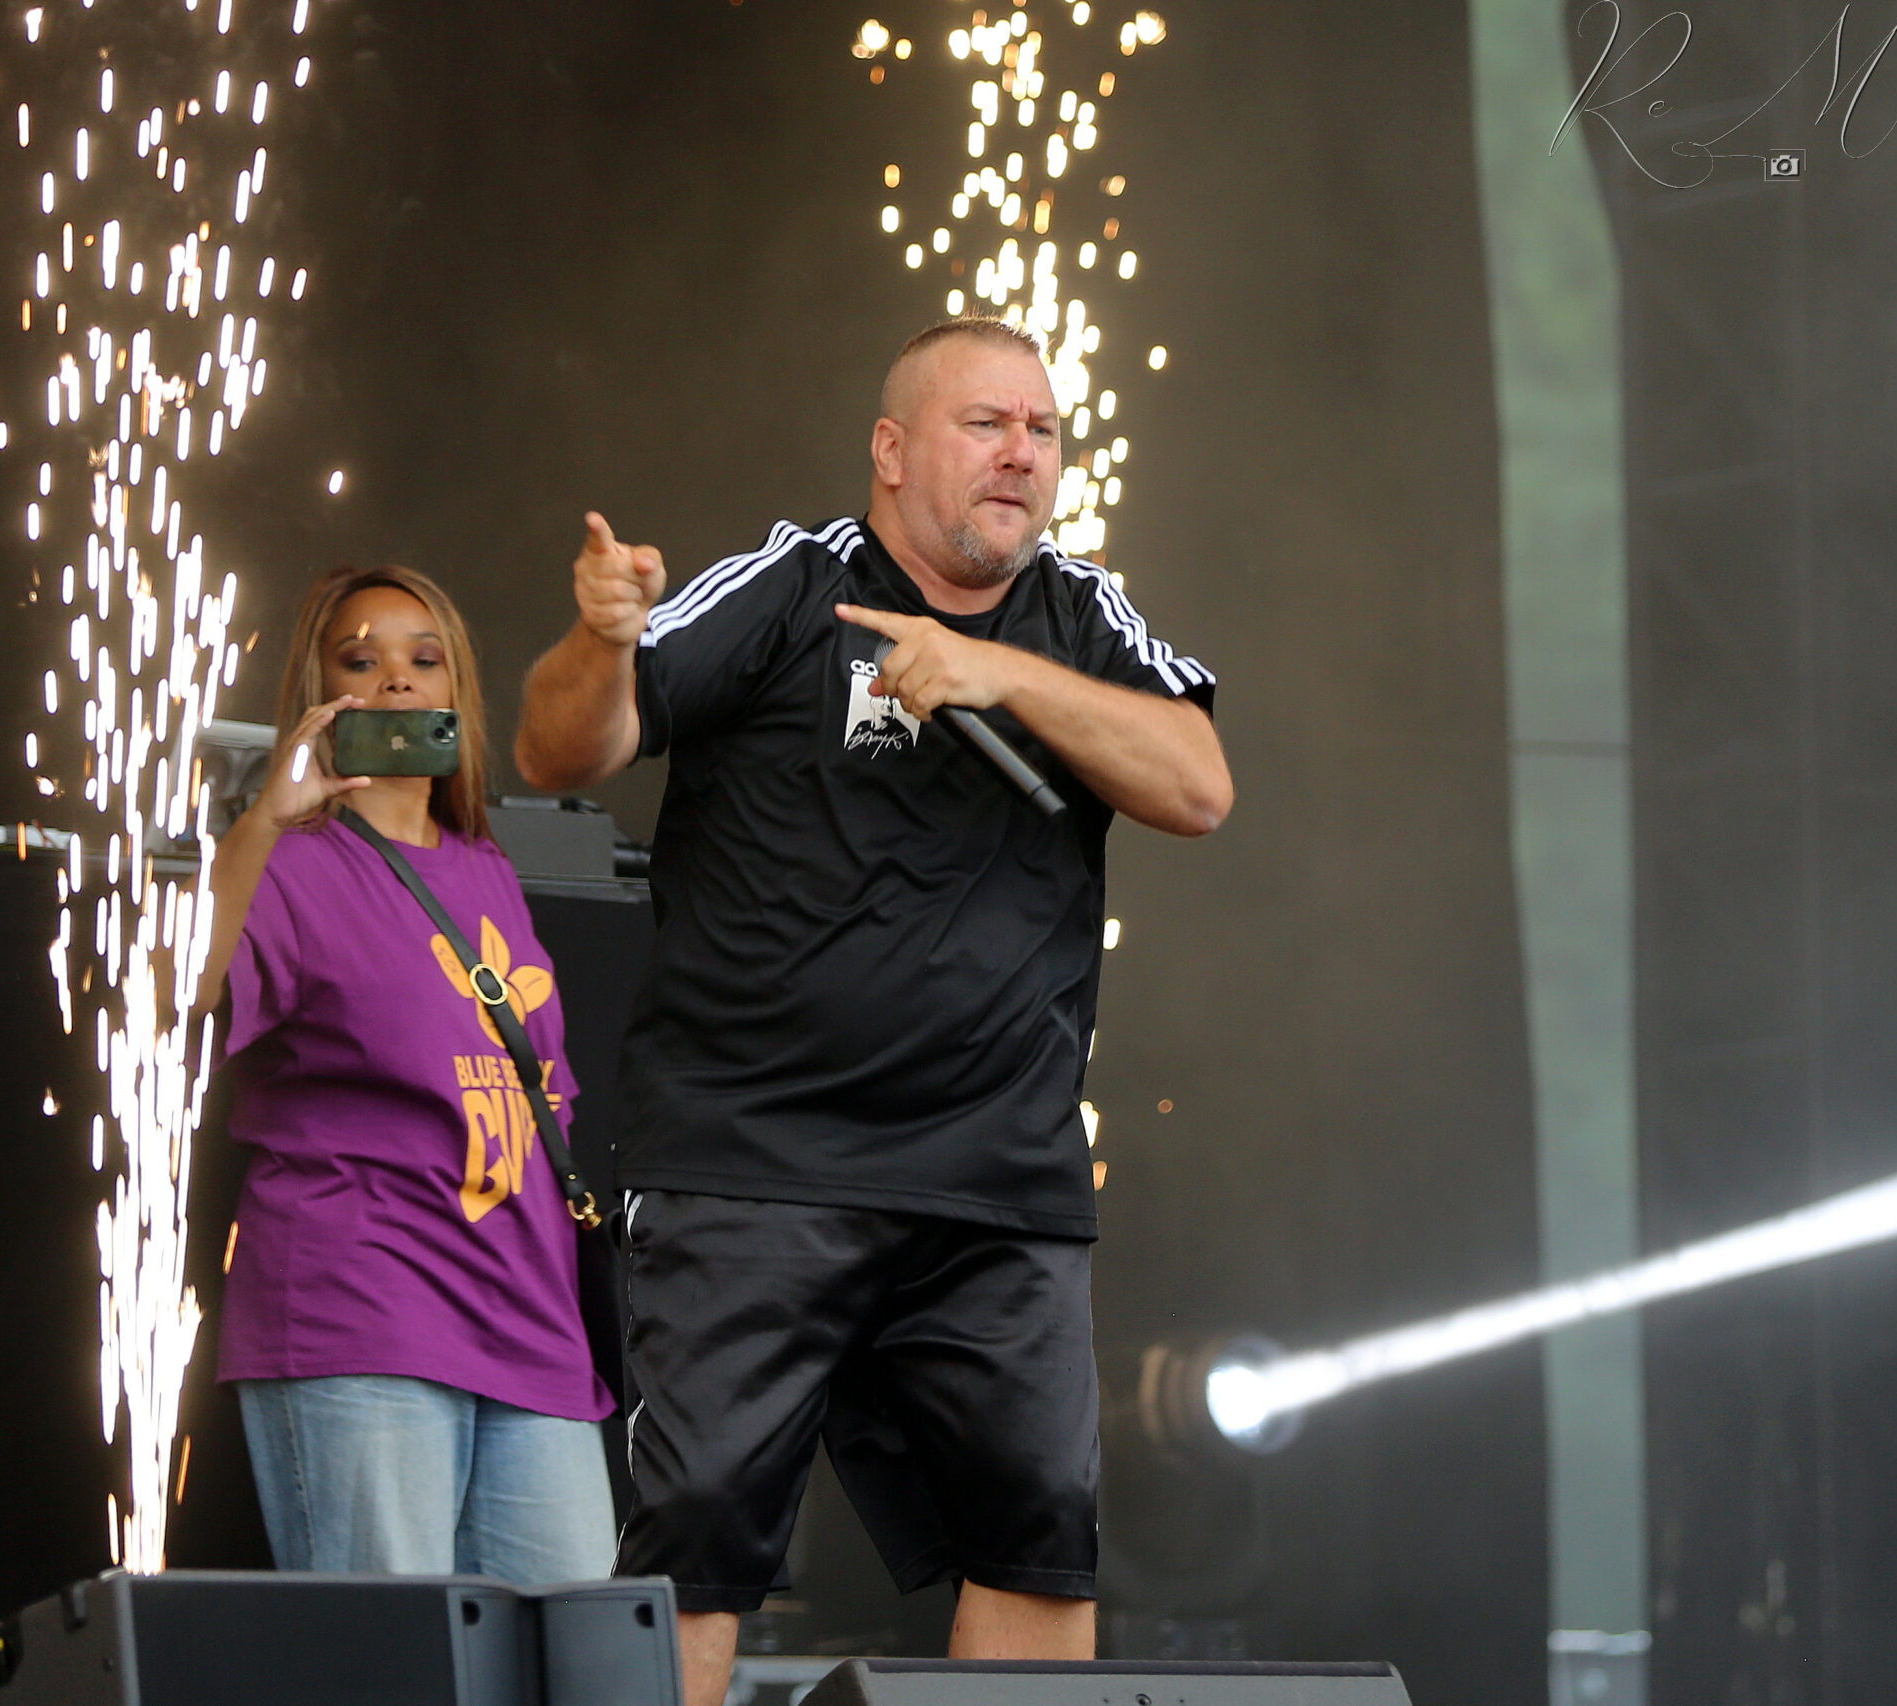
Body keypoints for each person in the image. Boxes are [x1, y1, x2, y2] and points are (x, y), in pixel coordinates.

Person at [515, 318, 1231, 1705]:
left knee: (1035, 1538)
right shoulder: (790, 585)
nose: (1022, 453)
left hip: (995, 1180)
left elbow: (1199, 785)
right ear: (892, 451)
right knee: (700, 1540)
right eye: (986, 424)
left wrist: (1000, 674)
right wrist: (601, 644)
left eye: (1043, 429)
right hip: (749, 1165)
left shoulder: (1080, 616)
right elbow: (562, 746)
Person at [197, 563, 617, 1585]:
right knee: (397, 1670)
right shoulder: (294, 862)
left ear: (454, 695)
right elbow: (189, 995)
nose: (395, 680)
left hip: (528, 1319)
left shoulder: (485, 866)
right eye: (361, 659)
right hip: (363, 1304)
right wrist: (263, 818)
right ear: (317, 691)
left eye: (424, 660)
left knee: (583, 1656)